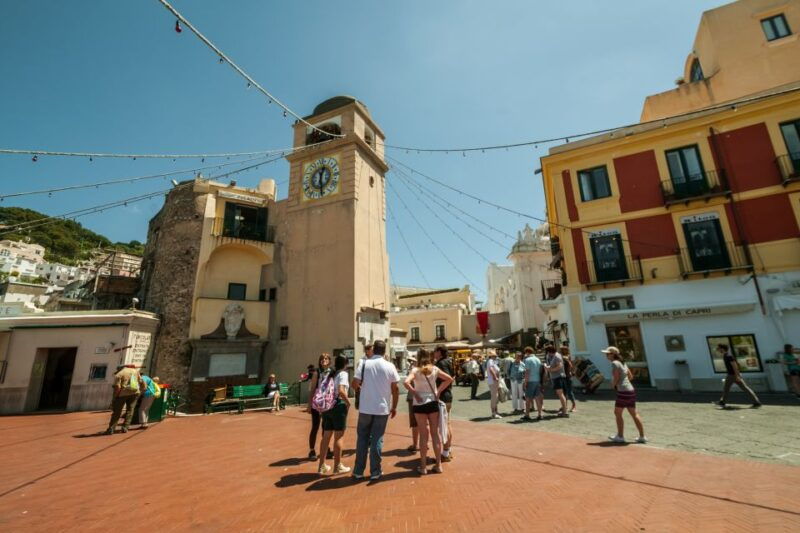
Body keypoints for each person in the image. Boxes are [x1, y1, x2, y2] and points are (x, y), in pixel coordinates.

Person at [351, 340, 399, 481]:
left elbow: (354, 384)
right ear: (384, 351)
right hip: (382, 408)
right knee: (377, 439)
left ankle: (358, 471)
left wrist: (363, 388)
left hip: (365, 408)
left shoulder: (364, 363)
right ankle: (375, 471)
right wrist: (394, 406)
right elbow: (395, 389)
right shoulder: (390, 366)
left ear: (373, 350)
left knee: (362, 439)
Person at [404, 348, 454, 475]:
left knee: (423, 434)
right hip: (432, 402)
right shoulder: (435, 369)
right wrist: (438, 391)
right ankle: (438, 465)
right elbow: (449, 379)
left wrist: (415, 392)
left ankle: (423, 466)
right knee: (435, 434)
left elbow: (406, 382)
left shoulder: (415, 370)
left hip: (419, 404)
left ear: (419, 357)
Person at [603, 346, 646, 444]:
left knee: (617, 413)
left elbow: (616, 377)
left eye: (608, 354)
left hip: (622, 391)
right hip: (630, 390)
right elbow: (630, 376)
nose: (606, 355)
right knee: (634, 413)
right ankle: (642, 436)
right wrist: (625, 382)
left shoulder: (615, 363)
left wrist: (613, 385)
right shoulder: (623, 363)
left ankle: (620, 436)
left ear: (613, 354)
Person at [318, 355, 352, 475]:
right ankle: (337, 466)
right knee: (339, 436)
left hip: (327, 406)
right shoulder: (343, 374)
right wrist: (348, 403)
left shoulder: (329, 373)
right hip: (338, 405)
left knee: (326, 436)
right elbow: (341, 390)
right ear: (345, 364)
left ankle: (321, 465)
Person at [715, 343, 761, 408]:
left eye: (718, 348)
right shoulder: (726, 355)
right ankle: (757, 402)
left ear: (722, 349)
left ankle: (722, 402)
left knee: (726, 389)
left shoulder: (728, 356)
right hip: (732, 375)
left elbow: (735, 366)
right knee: (744, 388)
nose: (717, 350)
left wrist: (737, 376)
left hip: (732, 375)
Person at [305, 353, 331, 460]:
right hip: (317, 403)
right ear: (319, 361)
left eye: (326, 358)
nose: (324, 360)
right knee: (315, 426)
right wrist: (309, 404)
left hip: (327, 403)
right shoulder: (317, 373)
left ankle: (326, 448)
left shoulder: (331, 372)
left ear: (329, 361)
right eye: (322, 359)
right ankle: (312, 450)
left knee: (326, 427)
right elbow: (312, 389)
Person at [105, 364, 142, 435]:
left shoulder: (120, 373)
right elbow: (141, 381)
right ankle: (125, 427)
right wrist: (140, 391)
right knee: (130, 410)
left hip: (122, 394)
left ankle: (111, 429)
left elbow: (117, 386)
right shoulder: (136, 371)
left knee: (117, 411)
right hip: (134, 393)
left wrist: (116, 396)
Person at [433, 345, 454, 462]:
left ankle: (446, 453)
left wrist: (438, 391)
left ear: (439, 352)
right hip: (448, 396)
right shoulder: (448, 361)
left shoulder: (441, 363)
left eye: (435, 351)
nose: (434, 353)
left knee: (445, 425)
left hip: (443, 397)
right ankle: (448, 450)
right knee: (447, 423)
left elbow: (449, 379)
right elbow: (453, 377)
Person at [544, 345, 569, 417]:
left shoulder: (557, 356)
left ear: (549, 351)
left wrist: (550, 370)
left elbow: (560, 366)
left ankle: (564, 411)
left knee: (561, 394)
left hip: (558, 377)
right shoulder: (553, 356)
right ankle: (564, 409)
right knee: (561, 394)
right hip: (557, 377)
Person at [522, 347, 544, 420]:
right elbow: (541, 370)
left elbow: (527, 372)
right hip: (537, 380)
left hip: (530, 381)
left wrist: (525, 382)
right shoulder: (538, 359)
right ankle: (540, 414)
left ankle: (527, 415)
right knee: (537, 398)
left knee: (528, 398)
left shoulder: (527, 360)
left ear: (527, 352)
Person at [560, 346, 578, 413]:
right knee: (564, 392)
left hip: (567, 376)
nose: (561, 351)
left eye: (562, 350)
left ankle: (574, 406)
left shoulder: (566, 357)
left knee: (569, 392)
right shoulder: (563, 357)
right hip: (563, 376)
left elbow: (570, 365)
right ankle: (565, 406)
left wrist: (570, 372)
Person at [486, 350, 502, 419]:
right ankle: (493, 413)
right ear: (491, 356)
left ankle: (495, 412)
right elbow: (491, 369)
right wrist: (495, 377)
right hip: (493, 381)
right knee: (494, 397)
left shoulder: (493, 361)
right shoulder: (490, 361)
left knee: (495, 396)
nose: (495, 356)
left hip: (494, 381)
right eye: (494, 355)